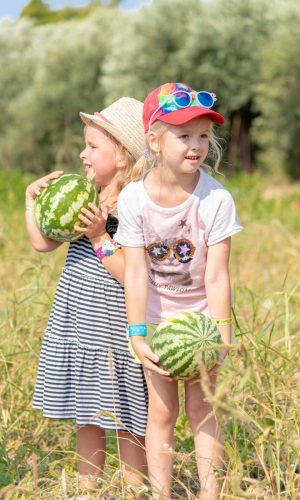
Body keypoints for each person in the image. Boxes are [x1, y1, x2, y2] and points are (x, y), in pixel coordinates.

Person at [114, 82, 243, 499]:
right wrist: (137, 333)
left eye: (204, 136)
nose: (196, 145)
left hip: (203, 320)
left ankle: (211, 493)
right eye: (183, 135)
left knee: (203, 410)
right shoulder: (134, 199)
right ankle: (161, 493)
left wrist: (221, 334)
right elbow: (135, 271)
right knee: (163, 411)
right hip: (155, 321)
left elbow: (218, 275)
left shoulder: (216, 198)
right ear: (154, 140)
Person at [25, 97, 148, 497]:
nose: (83, 153)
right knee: (88, 415)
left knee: (128, 417)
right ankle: (86, 490)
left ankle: (135, 489)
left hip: (115, 329)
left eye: (94, 146)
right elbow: (42, 244)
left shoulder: (132, 204)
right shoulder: (84, 194)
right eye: (85, 144)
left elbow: (132, 273)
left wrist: (99, 236)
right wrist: (33, 204)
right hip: (79, 323)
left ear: (125, 155)